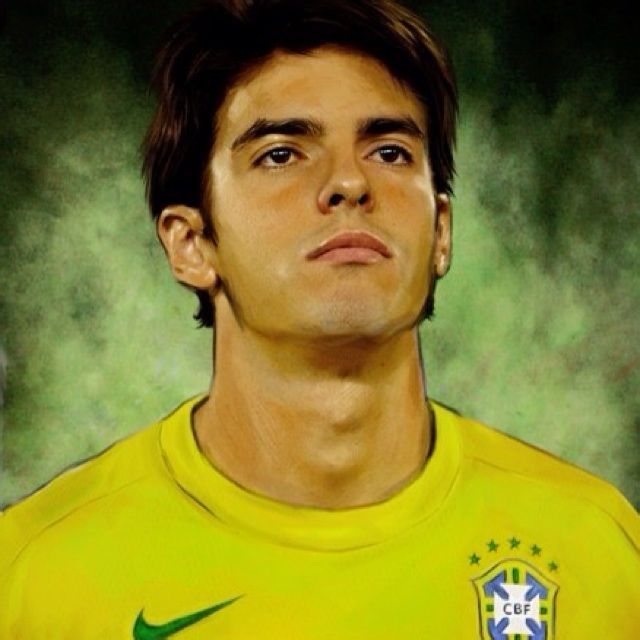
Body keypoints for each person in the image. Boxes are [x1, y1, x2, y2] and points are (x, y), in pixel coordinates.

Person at [1, 0, 638, 637]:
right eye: (281, 154)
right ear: (191, 243)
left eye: (389, 152)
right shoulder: (33, 575)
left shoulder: (598, 551)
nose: (349, 183)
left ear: (441, 232)